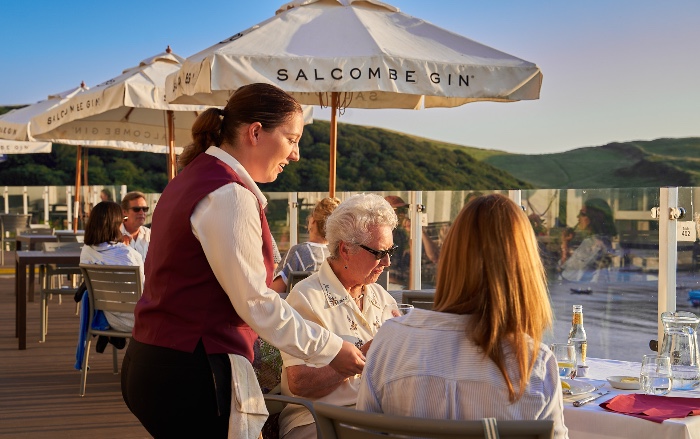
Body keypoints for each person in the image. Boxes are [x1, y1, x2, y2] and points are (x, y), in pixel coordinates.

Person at [121, 83, 364, 438]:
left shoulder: (192, 178)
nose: (295, 154)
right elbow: (256, 302)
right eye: (292, 139)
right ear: (255, 132)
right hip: (192, 372)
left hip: (156, 359)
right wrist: (332, 348)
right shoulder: (229, 194)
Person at [356, 194, 568, 439]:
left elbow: (363, 433)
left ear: (450, 258)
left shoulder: (390, 342)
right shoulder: (534, 364)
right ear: (524, 269)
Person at [279, 193, 399, 439]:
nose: (387, 262)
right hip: (320, 420)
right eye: (379, 253)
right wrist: (362, 357)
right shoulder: (306, 298)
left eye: (391, 251)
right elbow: (299, 383)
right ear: (346, 249)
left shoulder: (383, 299)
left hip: (378, 417)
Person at [80, 201, 144, 332]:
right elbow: (144, 292)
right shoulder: (127, 254)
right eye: (123, 219)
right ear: (116, 224)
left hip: (110, 317)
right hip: (138, 320)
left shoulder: (86, 251)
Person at [270, 197, 341, 294]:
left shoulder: (299, 252)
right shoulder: (337, 255)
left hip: (299, 307)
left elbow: (274, 291)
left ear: (312, 222)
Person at [384, 195, 440, 288]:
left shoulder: (403, 235)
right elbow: (382, 274)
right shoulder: (380, 237)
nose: (403, 215)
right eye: (399, 211)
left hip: (409, 283)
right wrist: (407, 286)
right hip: (392, 285)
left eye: (404, 211)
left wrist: (419, 230)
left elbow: (434, 256)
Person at [560, 198, 617, 283]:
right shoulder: (605, 241)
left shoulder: (591, 243)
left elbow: (567, 274)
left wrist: (564, 245)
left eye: (582, 213)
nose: (578, 217)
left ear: (593, 217)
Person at [120, 191, 151, 261]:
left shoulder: (150, 236)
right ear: (124, 212)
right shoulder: (114, 235)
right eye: (136, 209)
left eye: (145, 209)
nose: (142, 212)